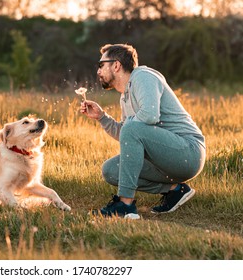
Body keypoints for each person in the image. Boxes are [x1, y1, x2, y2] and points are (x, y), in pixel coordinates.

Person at [80, 43, 206, 219]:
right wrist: (102, 117)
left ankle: (125, 205)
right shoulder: (125, 96)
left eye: (101, 65)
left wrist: (129, 127)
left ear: (116, 65)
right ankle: (175, 190)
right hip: (163, 159)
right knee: (110, 170)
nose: (98, 71)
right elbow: (128, 135)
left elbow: (149, 116)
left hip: (188, 153)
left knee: (132, 127)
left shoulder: (143, 77)